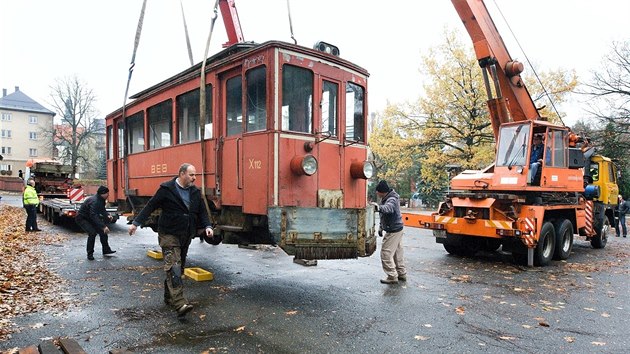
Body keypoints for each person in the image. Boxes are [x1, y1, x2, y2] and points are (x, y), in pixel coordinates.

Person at [128, 163, 214, 317]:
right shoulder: (166, 189)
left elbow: (202, 211)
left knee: (177, 268)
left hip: (186, 234)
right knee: (173, 265)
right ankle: (180, 303)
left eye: (195, 175)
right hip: (168, 233)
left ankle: (169, 297)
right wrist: (136, 223)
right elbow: (150, 206)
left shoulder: (195, 192)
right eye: (191, 175)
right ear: (182, 174)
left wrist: (207, 226)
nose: (194, 178)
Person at [372, 180, 406, 284]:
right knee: (397, 254)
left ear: (382, 191)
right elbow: (385, 216)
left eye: (377, 191)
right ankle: (401, 274)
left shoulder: (391, 199)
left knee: (386, 253)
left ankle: (392, 276)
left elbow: (389, 209)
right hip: (396, 228)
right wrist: (381, 227)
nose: (376, 193)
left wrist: (377, 207)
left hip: (393, 230)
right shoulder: (386, 198)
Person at [76, 186, 115, 260]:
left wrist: (107, 215)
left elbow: (102, 210)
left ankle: (106, 249)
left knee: (103, 232)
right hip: (82, 218)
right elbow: (93, 215)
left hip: (90, 218)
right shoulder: (95, 201)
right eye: (107, 193)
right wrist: (103, 226)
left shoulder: (101, 200)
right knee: (92, 233)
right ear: (102, 193)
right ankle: (90, 254)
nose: (108, 195)